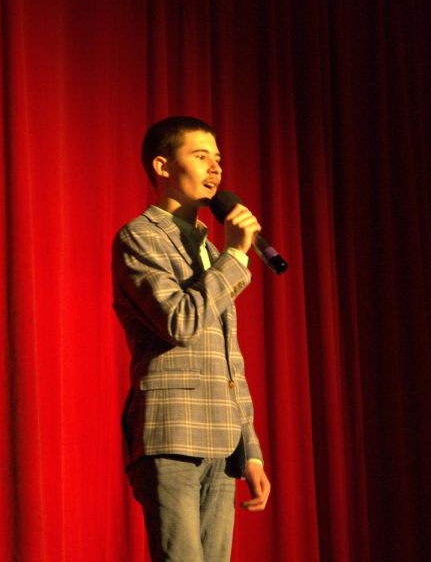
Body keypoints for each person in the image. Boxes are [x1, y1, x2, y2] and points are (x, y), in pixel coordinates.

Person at [112, 116, 271, 561]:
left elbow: (228, 361)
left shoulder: (211, 249)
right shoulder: (139, 237)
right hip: (172, 432)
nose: (215, 169)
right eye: (201, 157)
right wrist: (238, 254)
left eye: (218, 159)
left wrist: (251, 450)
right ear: (163, 166)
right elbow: (180, 321)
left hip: (223, 439)